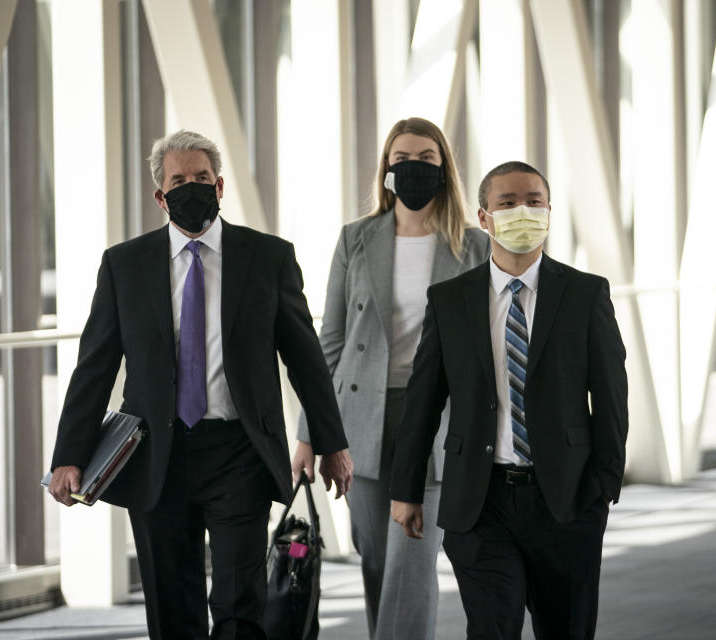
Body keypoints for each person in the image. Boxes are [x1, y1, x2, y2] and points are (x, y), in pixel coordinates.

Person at [47, 130, 354, 640]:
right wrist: (68, 455)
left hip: (239, 453)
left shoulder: (267, 257)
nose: (192, 187)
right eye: (179, 180)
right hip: (155, 456)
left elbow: (306, 358)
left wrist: (332, 443)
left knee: (239, 605)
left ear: (220, 187)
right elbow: (94, 366)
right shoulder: (125, 264)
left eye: (202, 178)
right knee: (172, 609)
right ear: (159, 195)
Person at [390, 161, 628, 639]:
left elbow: (611, 398)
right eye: (508, 203)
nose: (523, 211)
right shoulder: (450, 300)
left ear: (549, 210)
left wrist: (603, 487)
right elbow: (423, 401)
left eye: (533, 201)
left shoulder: (585, 294)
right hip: (481, 502)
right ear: (484, 217)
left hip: (566, 500)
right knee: (492, 628)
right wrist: (406, 488)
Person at [292, 117, 491, 639]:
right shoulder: (356, 240)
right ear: (386, 169)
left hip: (438, 420)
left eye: (426, 158)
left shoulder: (473, 247)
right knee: (377, 561)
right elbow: (329, 345)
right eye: (402, 157)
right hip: (362, 420)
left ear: (444, 168)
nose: (413, 167)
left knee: (412, 561)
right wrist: (308, 433)